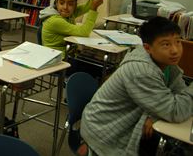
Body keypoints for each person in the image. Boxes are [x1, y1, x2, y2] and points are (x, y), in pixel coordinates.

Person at [80, 17, 193, 156]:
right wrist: (163, 111)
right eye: (166, 44)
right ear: (147, 47)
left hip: (123, 120)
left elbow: (178, 93)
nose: (175, 50)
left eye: (178, 42)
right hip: (104, 130)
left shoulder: (166, 63)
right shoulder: (141, 70)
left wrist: (156, 113)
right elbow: (176, 111)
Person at [38, 0, 110, 56]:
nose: (65, 7)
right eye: (62, 3)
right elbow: (84, 32)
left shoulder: (68, 14)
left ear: (75, 5)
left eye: (70, 4)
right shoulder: (54, 20)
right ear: (56, 3)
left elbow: (87, 6)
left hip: (69, 54)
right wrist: (94, 8)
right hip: (57, 59)